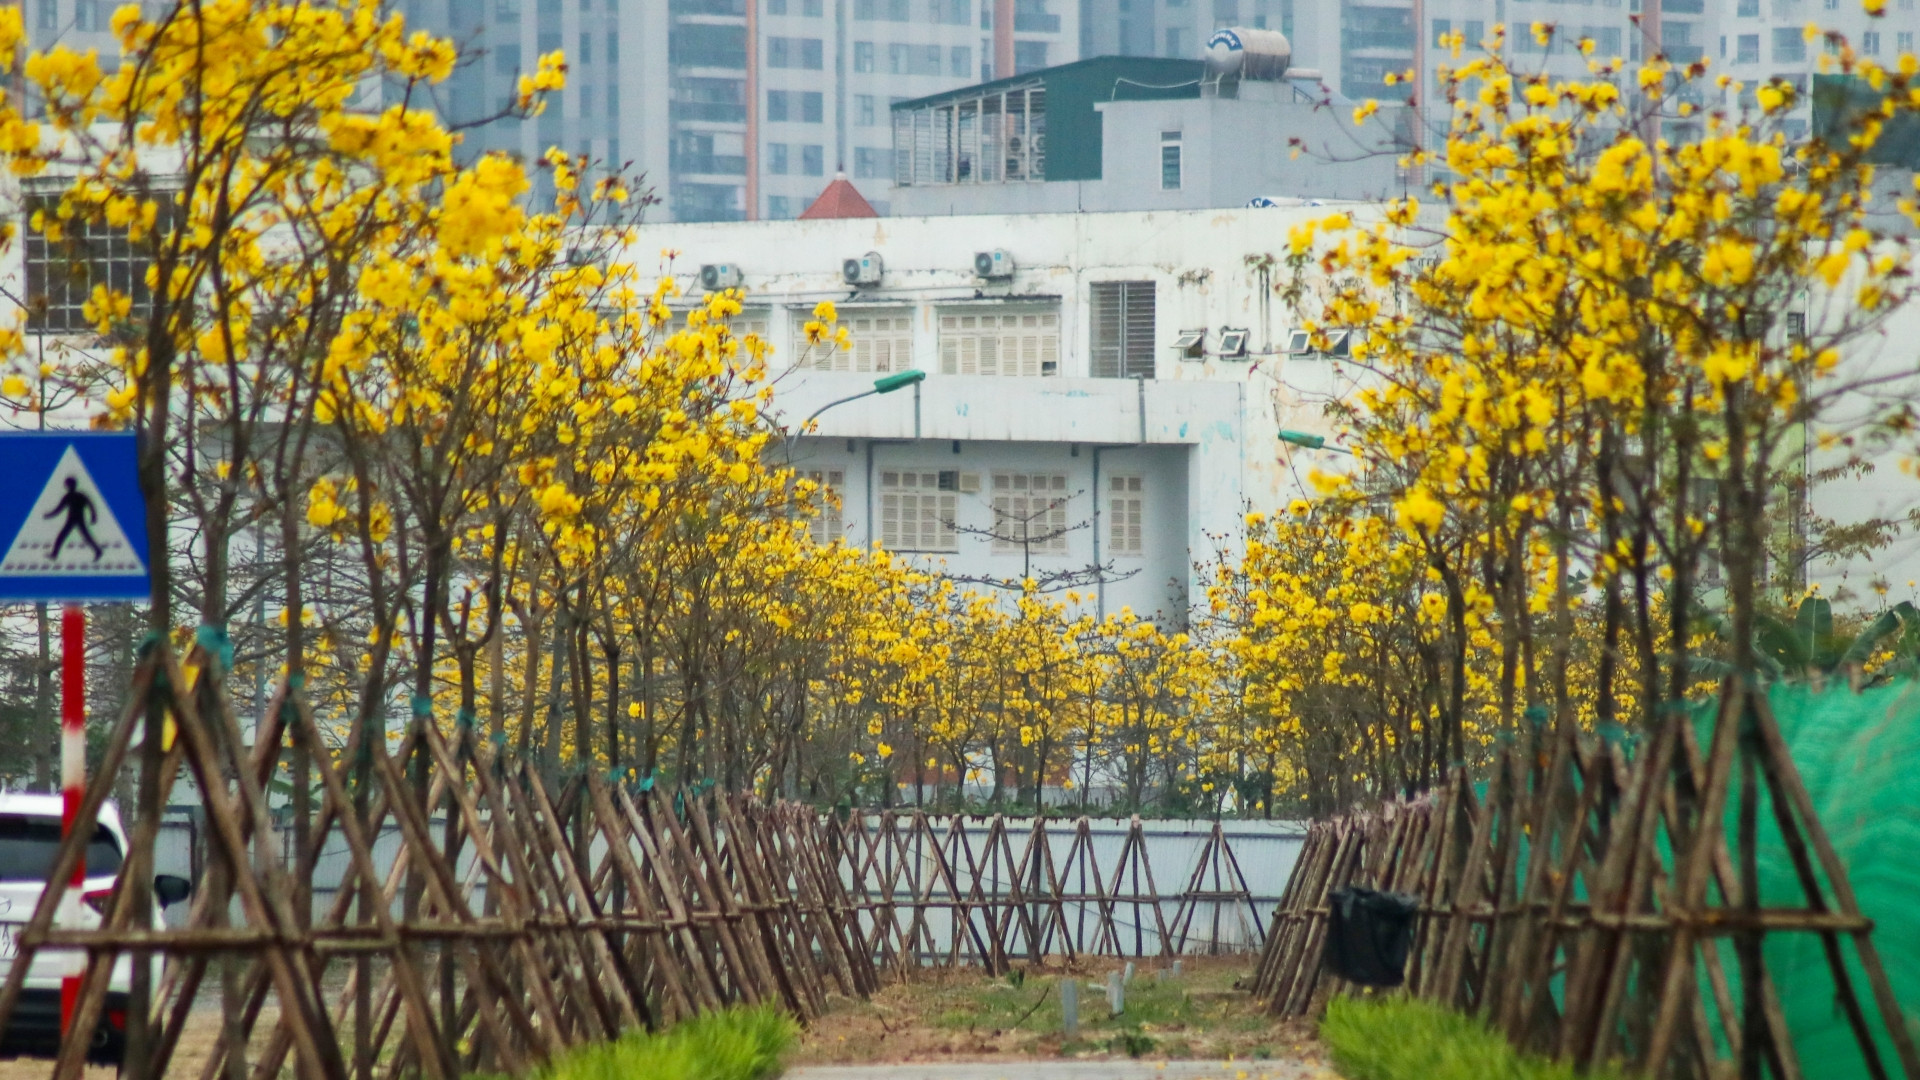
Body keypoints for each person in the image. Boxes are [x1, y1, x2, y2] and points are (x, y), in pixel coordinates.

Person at [45, 476, 103, 562]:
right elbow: (59, 509)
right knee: (63, 536)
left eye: (68, 485)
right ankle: (54, 554)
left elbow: (90, 505)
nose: (67, 487)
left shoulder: (79, 496)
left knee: (82, 536)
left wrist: (93, 516)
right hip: (71, 520)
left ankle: (98, 551)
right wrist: (49, 515)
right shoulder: (69, 496)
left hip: (77, 519)